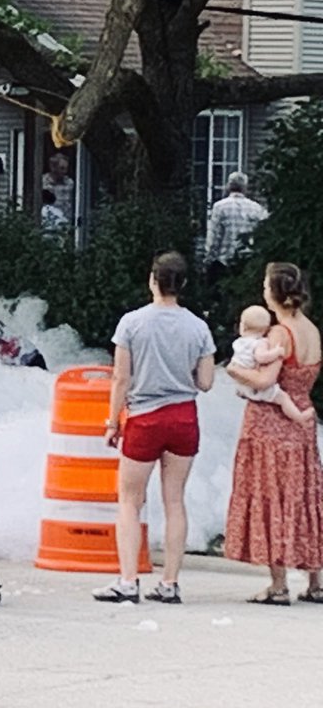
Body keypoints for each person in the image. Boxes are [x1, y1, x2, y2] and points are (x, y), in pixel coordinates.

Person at [93, 251, 216, 604]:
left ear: (152, 280)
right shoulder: (198, 327)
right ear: (184, 285)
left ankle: (128, 581)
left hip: (145, 417)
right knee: (174, 500)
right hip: (183, 417)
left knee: (130, 501)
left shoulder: (131, 323)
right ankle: (170, 583)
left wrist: (112, 421)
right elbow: (206, 382)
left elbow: (120, 378)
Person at [224, 262, 323, 605]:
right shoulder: (311, 329)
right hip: (303, 421)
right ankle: (315, 581)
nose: (263, 290)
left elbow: (265, 381)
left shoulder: (280, 333)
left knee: (272, 496)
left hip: (271, 423)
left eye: (266, 285)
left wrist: (236, 372)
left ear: (276, 292)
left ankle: (278, 584)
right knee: (304, 496)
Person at [229, 305, 315, 426]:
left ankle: (242, 391)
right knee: (283, 398)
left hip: (242, 385)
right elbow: (262, 358)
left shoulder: (238, 343)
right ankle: (299, 417)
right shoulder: (260, 343)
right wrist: (276, 352)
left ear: (242, 327)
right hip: (257, 388)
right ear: (265, 330)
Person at [204, 172, 268, 290]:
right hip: (247, 262)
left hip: (223, 261)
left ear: (228, 186)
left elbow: (214, 237)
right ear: (245, 188)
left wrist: (209, 259)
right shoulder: (257, 208)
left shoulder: (219, 207)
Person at [41, 153, 74, 223]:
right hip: (47, 221)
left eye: (66, 169)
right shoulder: (43, 182)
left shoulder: (69, 183)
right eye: (62, 168)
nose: (65, 172)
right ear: (53, 167)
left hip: (65, 222)